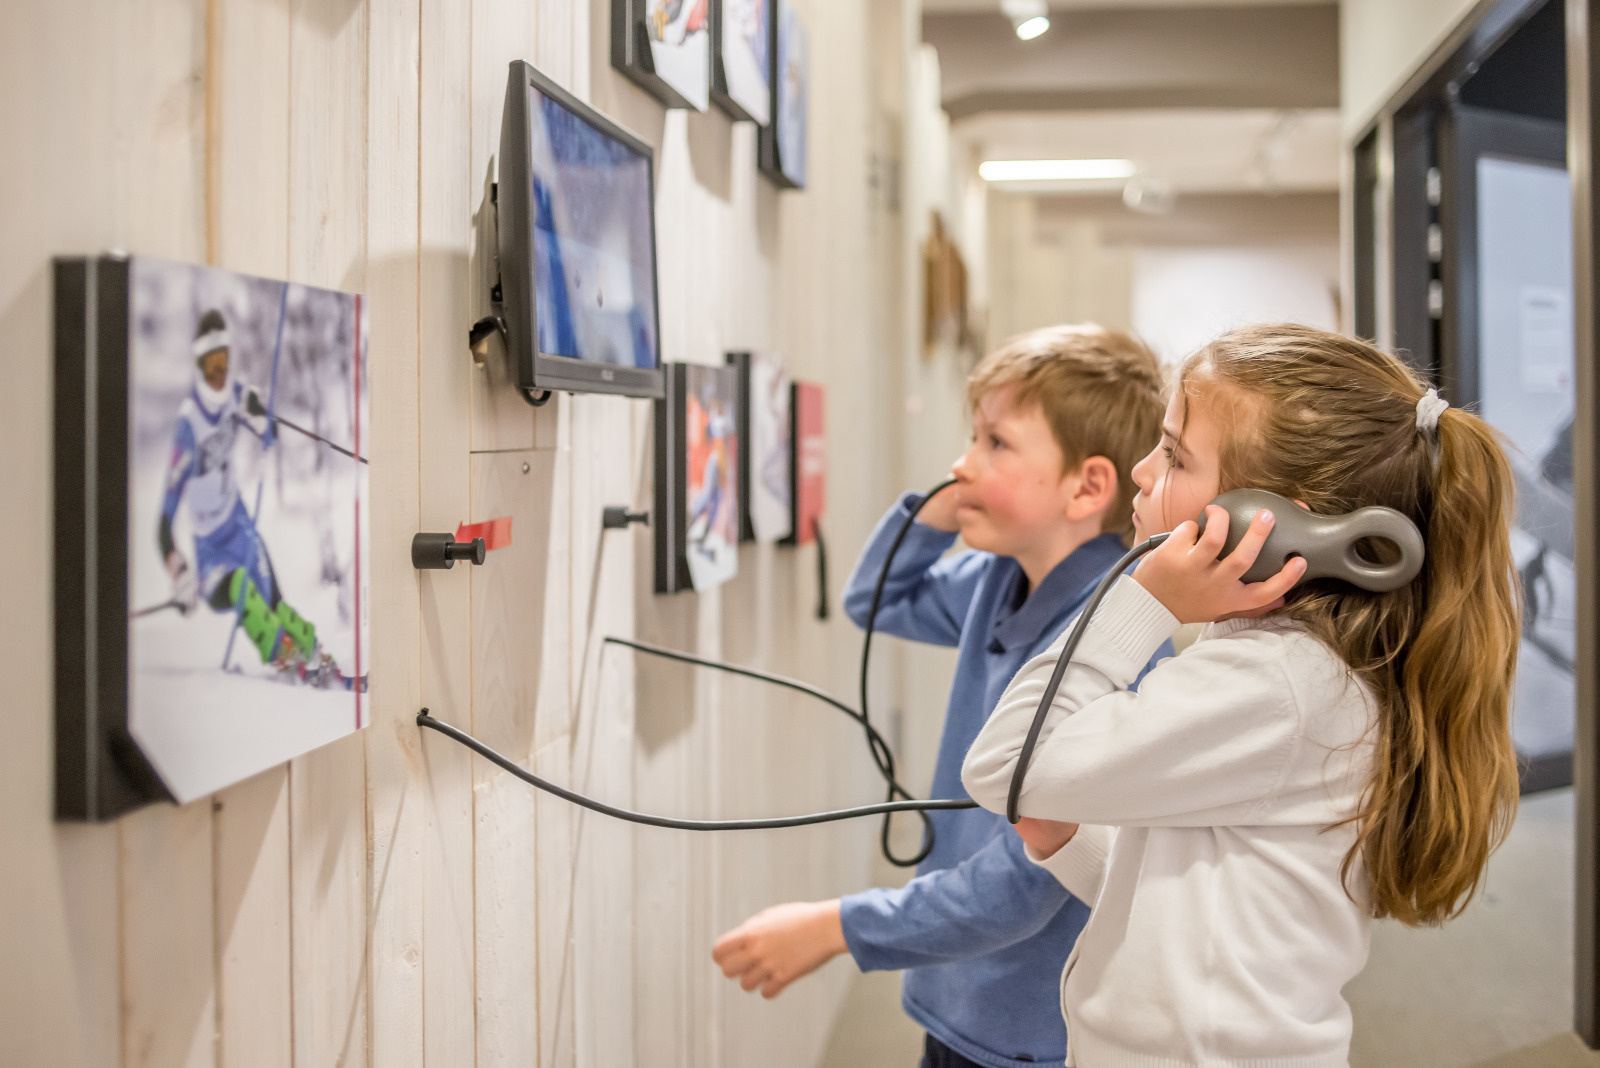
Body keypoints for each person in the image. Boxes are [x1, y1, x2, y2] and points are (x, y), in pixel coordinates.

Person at [962, 323, 1520, 1067]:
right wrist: (1069, 839)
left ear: (1279, 526)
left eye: (1174, 454)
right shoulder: (1265, 664)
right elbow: (1187, 906)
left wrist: (1145, 600)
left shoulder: (1281, 687)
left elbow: (1003, 766)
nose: (1141, 470)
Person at [712, 324, 1169, 1068]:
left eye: (996, 444)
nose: (962, 463)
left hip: (1033, 1030)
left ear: (1088, 486)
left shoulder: (1111, 647)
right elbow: (875, 598)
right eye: (972, 438)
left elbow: (1026, 885)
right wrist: (943, 504)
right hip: (962, 994)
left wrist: (839, 926)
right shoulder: (998, 579)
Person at [159, 308, 333, 683]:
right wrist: (179, 572)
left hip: (242, 531)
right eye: (211, 366)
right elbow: (163, 521)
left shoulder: (236, 397)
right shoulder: (189, 425)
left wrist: (263, 419)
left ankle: (314, 654)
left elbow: (270, 433)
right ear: (198, 367)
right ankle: (285, 659)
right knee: (241, 588)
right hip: (211, 554)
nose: (220, 375)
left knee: (276, 606)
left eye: (225, 363)